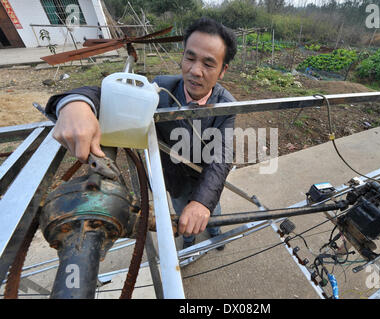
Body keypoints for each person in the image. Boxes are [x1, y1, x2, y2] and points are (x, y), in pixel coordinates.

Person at [45, 17, 238, 250]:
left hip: (204, 176)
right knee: (180, 211)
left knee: (210, 211)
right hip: (174, 177)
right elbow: (117, 93)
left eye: (208, 64)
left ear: (223, 70)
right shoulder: (161, 88)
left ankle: (215, 233)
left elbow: (222, 154)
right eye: (190, 57)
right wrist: (77, 103)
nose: (195, 71)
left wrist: (202, 202)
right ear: (183, 56)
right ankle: (188, 240)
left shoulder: (226, 104)